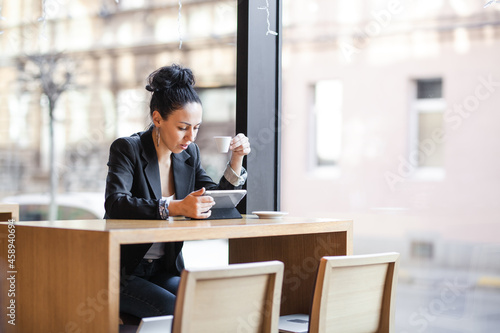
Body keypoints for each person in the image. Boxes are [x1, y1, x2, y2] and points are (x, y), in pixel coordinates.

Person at [104, 64, 251, 319]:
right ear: (157, 118)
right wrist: (174, 207)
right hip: (122, 272)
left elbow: (215, 200)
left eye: (196, 127)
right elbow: (116, 203)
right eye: (183, 127)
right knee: (172, 310)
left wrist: (236, 160)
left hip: (164, 270)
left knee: (205, 302)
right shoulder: (128, 149)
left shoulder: (188, 154)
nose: (191, 137)